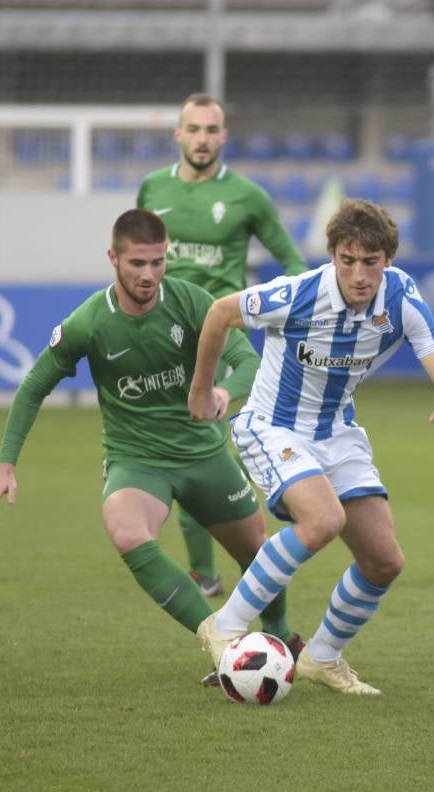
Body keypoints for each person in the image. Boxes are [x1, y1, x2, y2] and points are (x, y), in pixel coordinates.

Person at [187, 198, 434, 695]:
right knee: (322, 520)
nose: (359, 274)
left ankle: (321, 658)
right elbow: (218, 313)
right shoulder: (297, 294)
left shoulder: (401, 298)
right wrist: (200, 389)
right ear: (333, 256)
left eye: (371, 262)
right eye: (347, 260)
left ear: (388, 260)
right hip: (271, 427)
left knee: (384, 561)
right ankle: (224, 626)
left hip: (337, 433)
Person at [0, 208, 279, 656]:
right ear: (113, 259)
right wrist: (6, 464)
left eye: (157, 262)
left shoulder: (193, 302)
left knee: (258, 552)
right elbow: (33, 387)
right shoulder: (89, 323)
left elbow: (249, 362)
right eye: (137, 263)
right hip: (137, 460)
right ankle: (217, 638)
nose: (149, 273)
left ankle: (283, 639)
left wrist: (222, 392)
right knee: (125, 530)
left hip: (203, 453)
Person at [137, 93, 309, 609]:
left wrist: (286, 311)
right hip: (161, 332)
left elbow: (293, 263)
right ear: (178, 134)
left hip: (219, 334)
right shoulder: (154, 188)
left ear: (224, 136)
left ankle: (207, 570)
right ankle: (211, 568)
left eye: (212, 130)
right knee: (171, 446)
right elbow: (136, 259)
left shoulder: (248, 197)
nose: (203, 139)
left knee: (201, 448)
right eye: (194, 129)